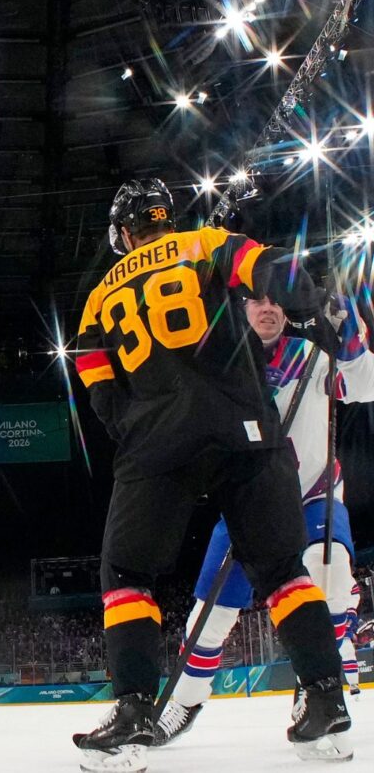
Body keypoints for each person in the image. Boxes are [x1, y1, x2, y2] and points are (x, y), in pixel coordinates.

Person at [71, 178, 352, 771]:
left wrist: (135, 426)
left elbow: (93, 373)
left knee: (127, 574)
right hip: (244, 428)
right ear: (164, 218)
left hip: (158, 441)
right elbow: (272, 269)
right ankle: (326, 698)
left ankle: (134, 708)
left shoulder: (101, 293)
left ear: (125, 232)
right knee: (281, 569)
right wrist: (316, 302)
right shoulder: (207, 244)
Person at [154, 291, 374, 745]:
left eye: (275, 301)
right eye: (256, 302)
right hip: (250, 501)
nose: (267, 309)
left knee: (328, 570)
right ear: (240, 310)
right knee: (210, 615)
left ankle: (316, 691)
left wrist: (349, 338)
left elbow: (366, 385)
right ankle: (186, 700)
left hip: (314, 496)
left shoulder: (312, 354)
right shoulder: (222, 367)